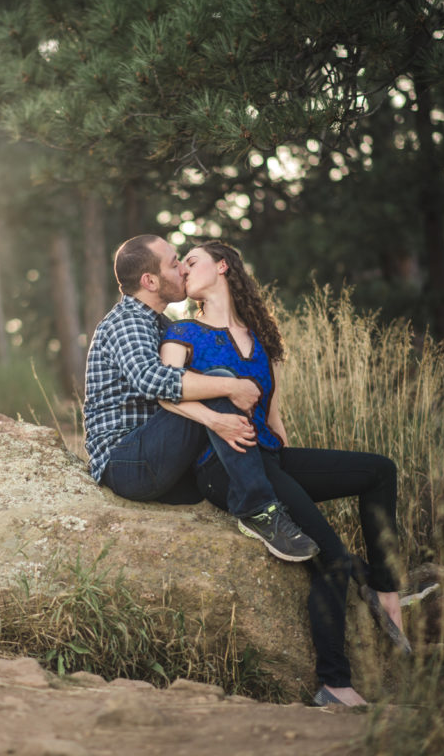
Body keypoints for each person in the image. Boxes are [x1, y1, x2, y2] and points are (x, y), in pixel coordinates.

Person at [159, 239, 409, 707]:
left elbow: (274, 420)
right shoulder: (183, 333)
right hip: (225, 466)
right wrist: (215, 418)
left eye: (192, 260)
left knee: (379, 470)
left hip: (270, 457)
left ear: (223, 266)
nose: (184, 269)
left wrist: (297, 474)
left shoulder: (261, 337)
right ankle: (334, 685)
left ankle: (385, 585)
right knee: (331, 556)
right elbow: (168, 393)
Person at [83, 233, 319, 562]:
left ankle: (325, 549)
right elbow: (152, 380)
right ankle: (259, 511)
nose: (182, 269)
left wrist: (220, 418)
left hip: (163, 457)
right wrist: (230, 388)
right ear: (149, 280)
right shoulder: (128, 321)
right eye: (174, 263)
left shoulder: (161, 324)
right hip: (127, 463)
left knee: (215, 392)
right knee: (218, 379)